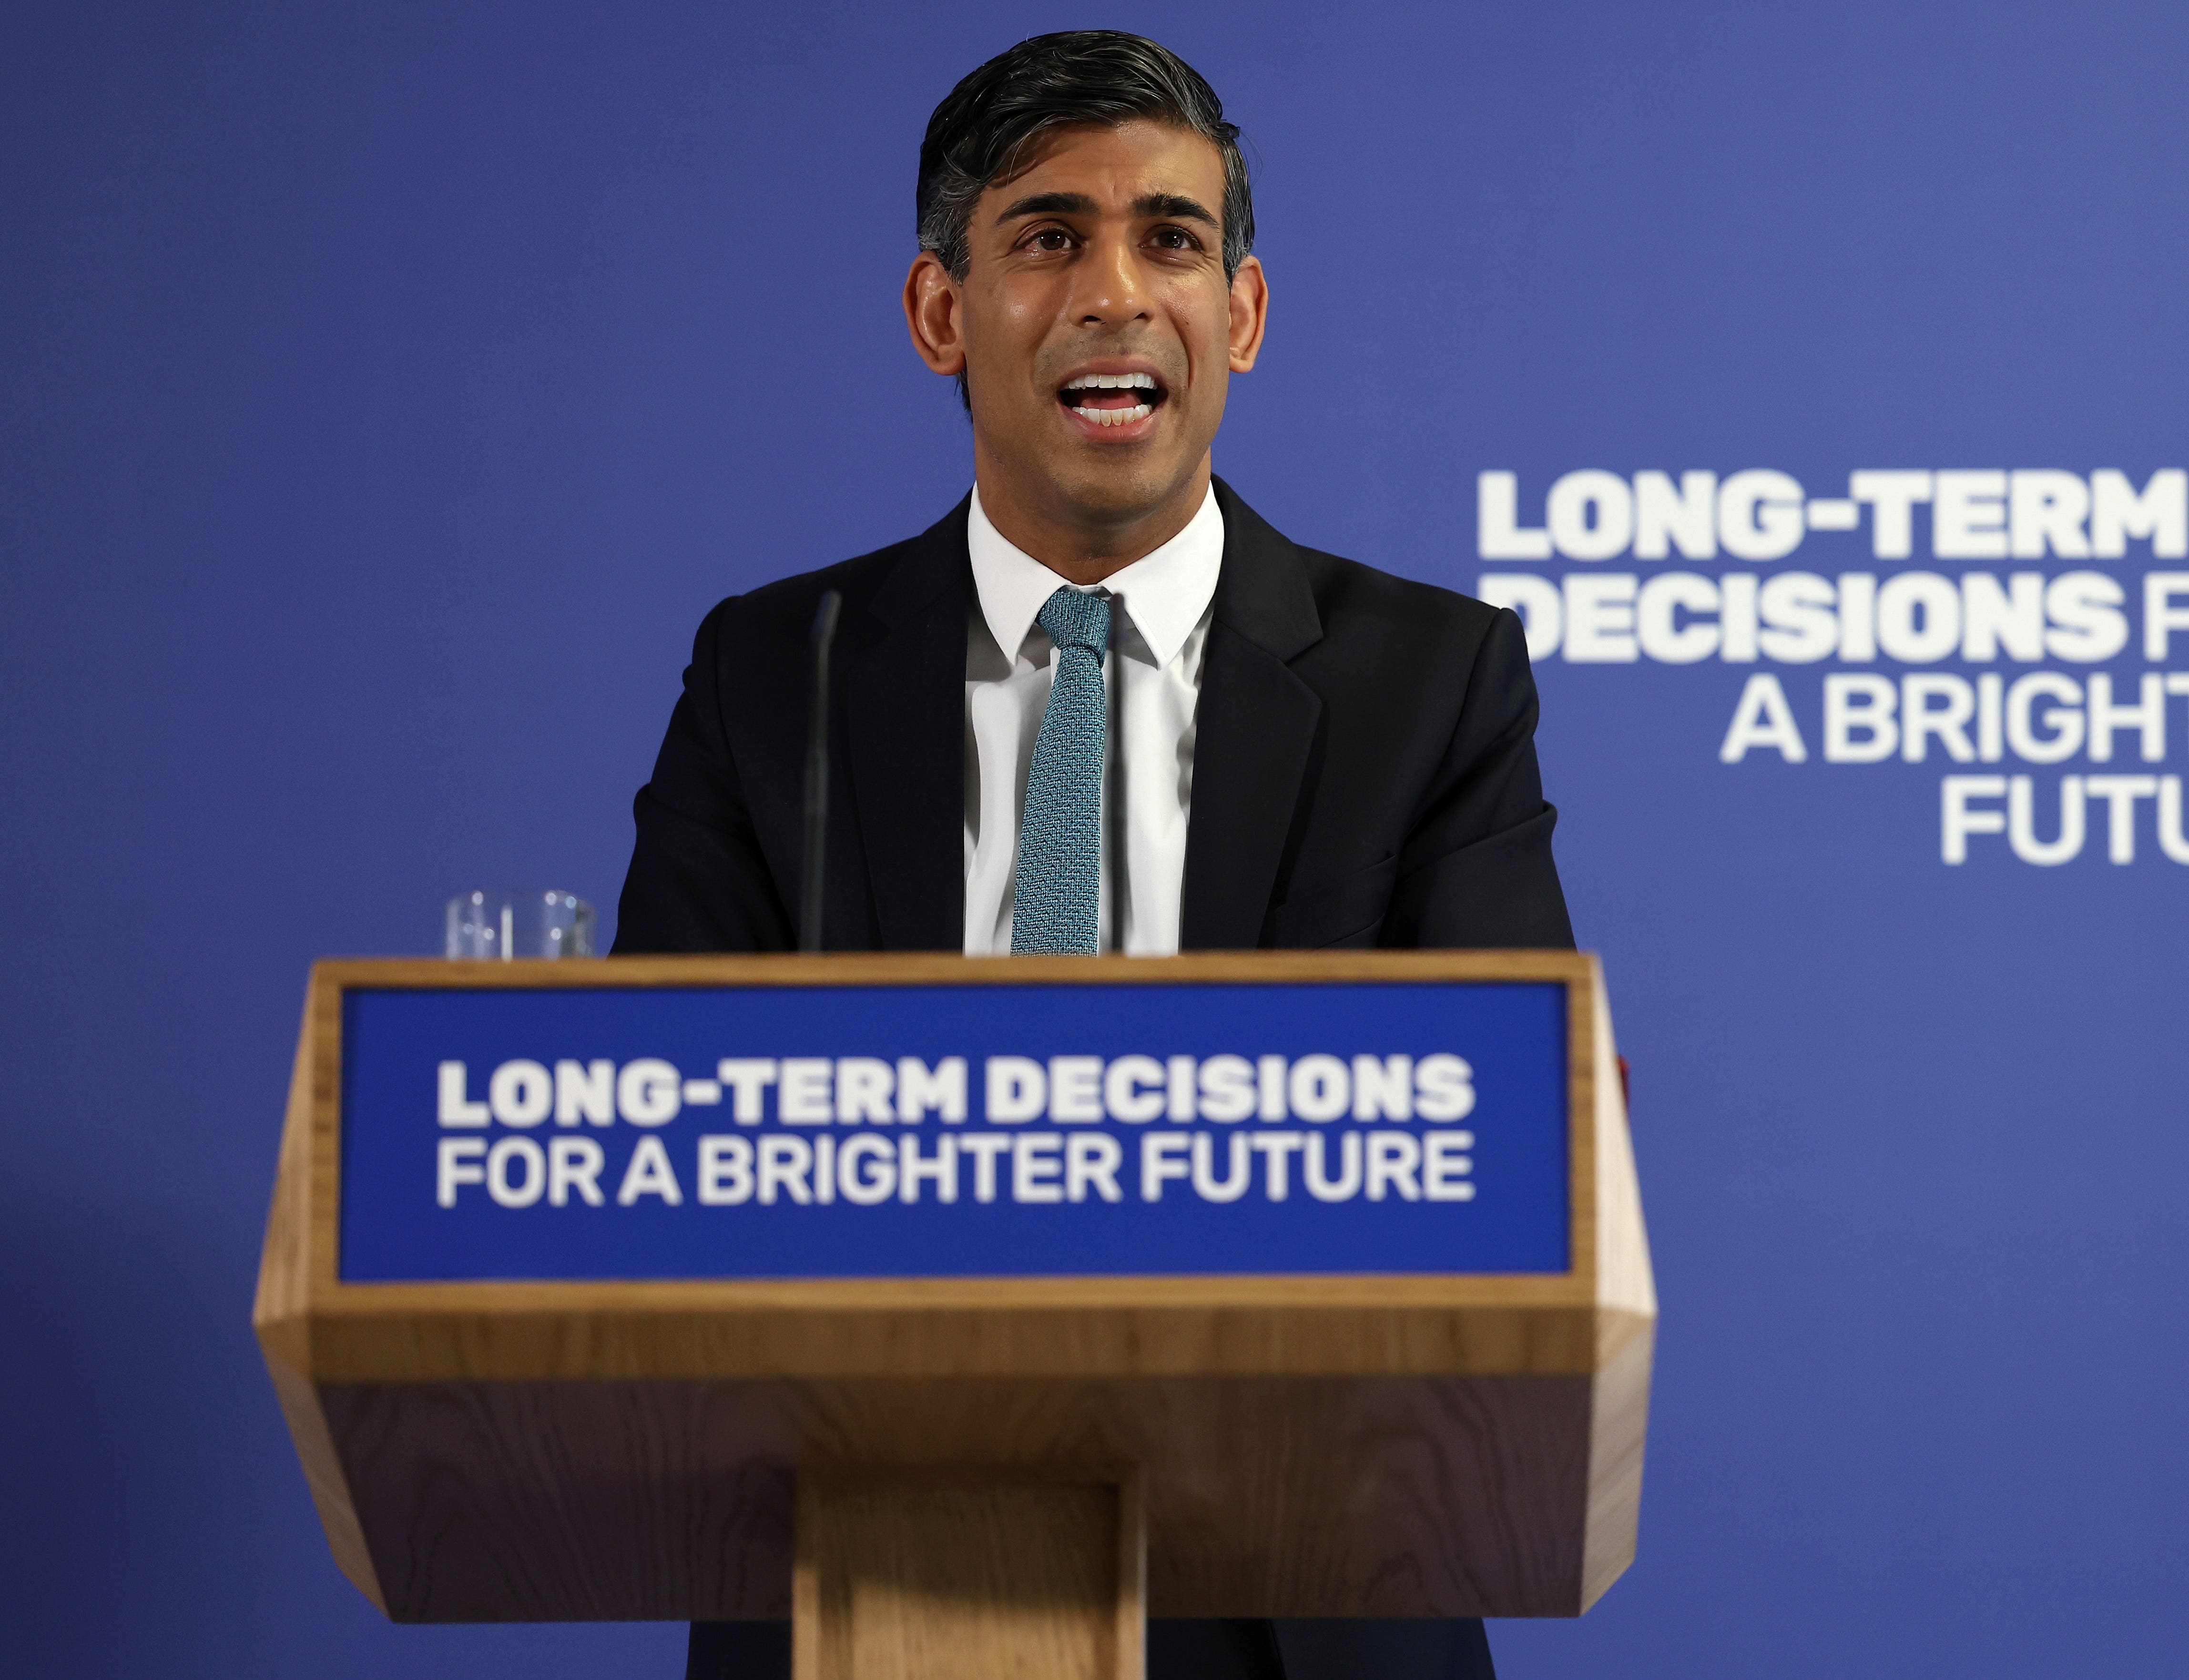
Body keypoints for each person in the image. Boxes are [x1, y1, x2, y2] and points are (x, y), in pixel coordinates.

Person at [615, 30, 1571, 1680]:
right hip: (869, 1570)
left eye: (1173, 241)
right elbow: (656, 1132)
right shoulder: (786, 672)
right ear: (940, 314)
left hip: (1302, 1587)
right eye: (1049, 237)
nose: (1116, 293)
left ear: (1243, 319)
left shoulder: (1432, 678)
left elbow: (1499, 1143)